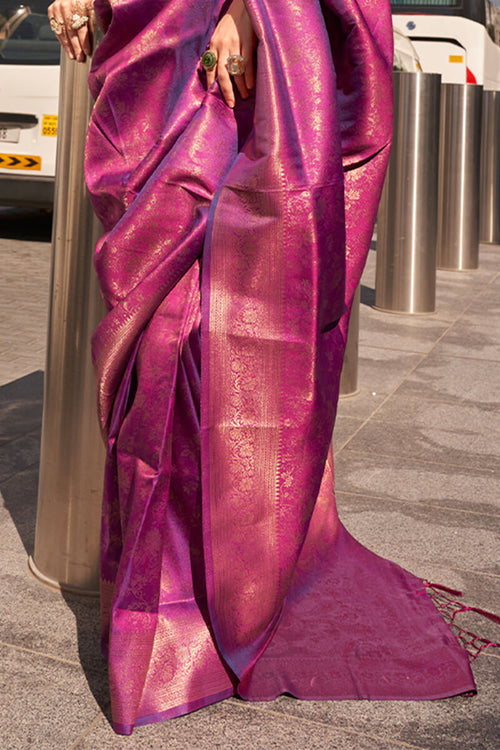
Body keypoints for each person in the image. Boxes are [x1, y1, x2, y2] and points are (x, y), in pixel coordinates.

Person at [47, 0, 484, 736]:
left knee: (207, 317)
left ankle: (206, 584)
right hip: (140, 30)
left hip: (227, 24)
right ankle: (160, 588)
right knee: (151, 306)